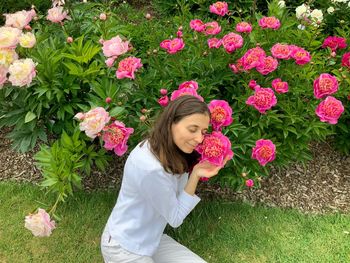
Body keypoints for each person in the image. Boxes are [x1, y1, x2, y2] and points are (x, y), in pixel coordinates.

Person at [101, 95, 229, 263]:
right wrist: (195, 175)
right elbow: (175, 218)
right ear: (170, 123)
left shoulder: (165, 148)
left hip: (152, 239)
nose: (199, 139)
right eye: (192, 129)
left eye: (203, 132)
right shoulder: (151, 169)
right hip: (125, 248)